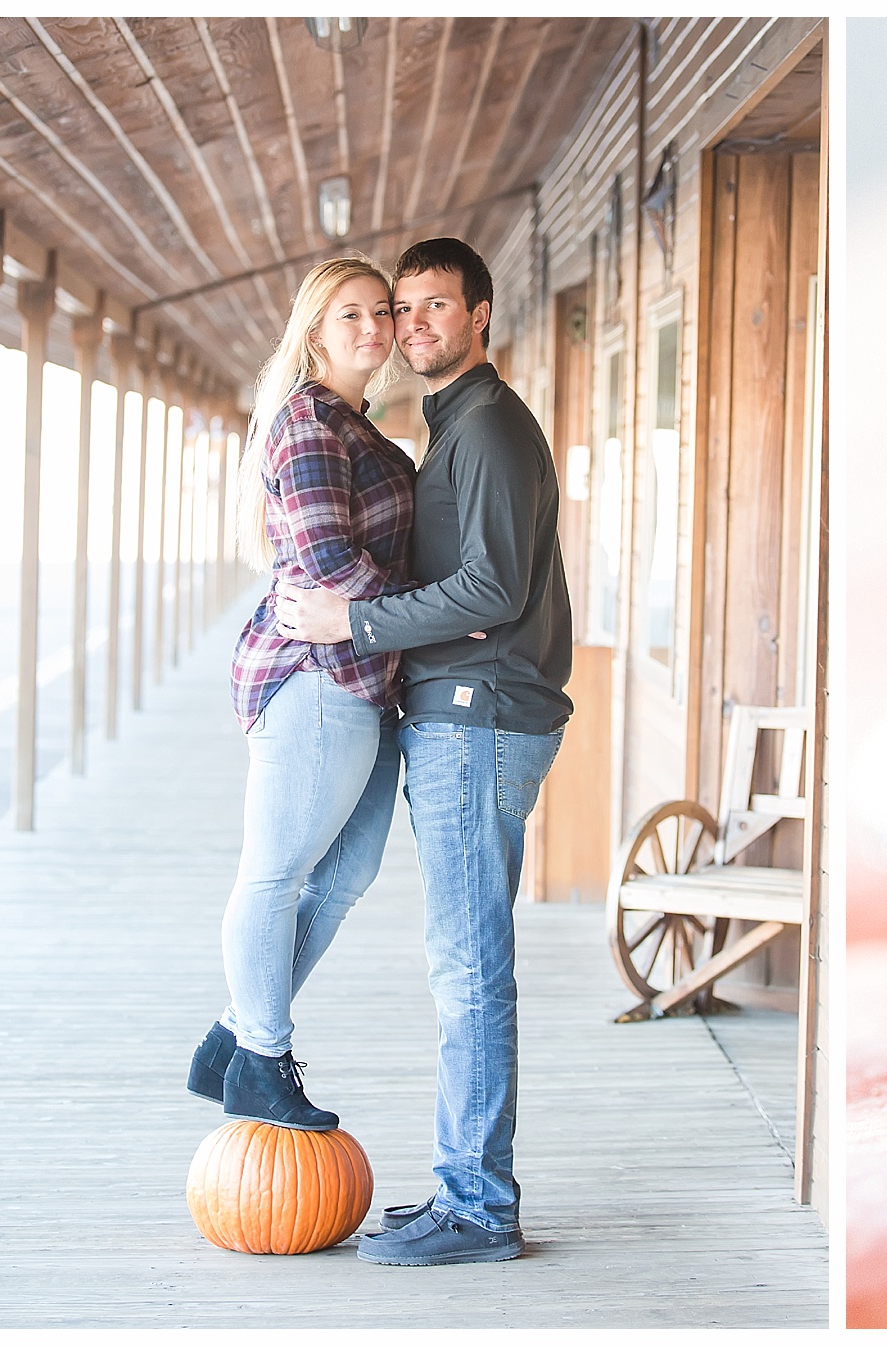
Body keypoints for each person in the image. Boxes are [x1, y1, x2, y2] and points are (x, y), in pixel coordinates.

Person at [276, 237, 572, 1266]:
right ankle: (464, 1185)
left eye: (436, 306)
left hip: (477, 716)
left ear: (479, 314)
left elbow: (492, 590)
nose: (412, 326)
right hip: (464, 711)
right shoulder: (453, 425)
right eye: (402, 309)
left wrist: (352, 626)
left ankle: (480, 1205)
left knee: (468, 965)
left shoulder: (486, 427)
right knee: (463, 958)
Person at [185, 257, 414, 1131]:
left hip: (364, 677)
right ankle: (264, 1058)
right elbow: (330, 568)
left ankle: (233, 1038)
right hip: (314, 682)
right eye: (350, 314)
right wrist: (441, 621)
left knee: (345, 874)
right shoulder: (310, 424)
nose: (372, 328)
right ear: (316, 331)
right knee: (277, 874)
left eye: (381, 312)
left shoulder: (354, 423)